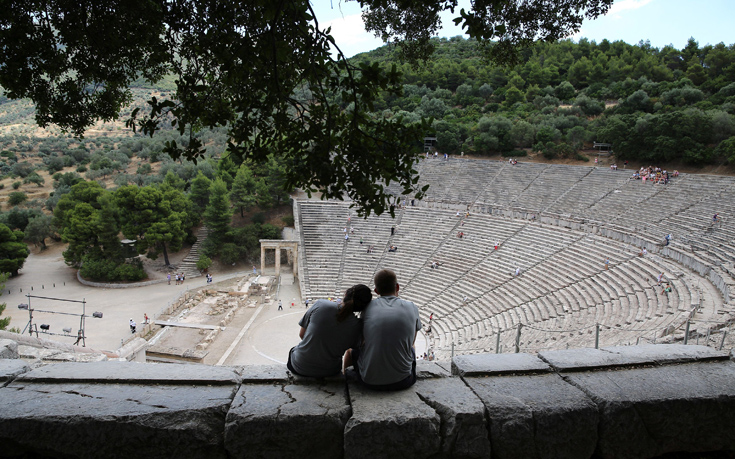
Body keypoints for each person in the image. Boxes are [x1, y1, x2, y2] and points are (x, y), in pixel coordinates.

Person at [344, 269, 421, 391]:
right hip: (404, 381)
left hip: (369, 381)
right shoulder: (412, 307)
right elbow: (411, 342)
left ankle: (345, 382)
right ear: (397, 287)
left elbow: (362, 340)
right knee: (412, 347)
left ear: (376, 291)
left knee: (350, 352)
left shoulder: (367, 309)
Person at [288, 284, 372, 378]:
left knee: (293, 350)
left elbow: (302, 334)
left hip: (300, 366)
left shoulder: (321, 305)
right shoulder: (358, 326)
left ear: (345, 294)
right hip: (330, 371)